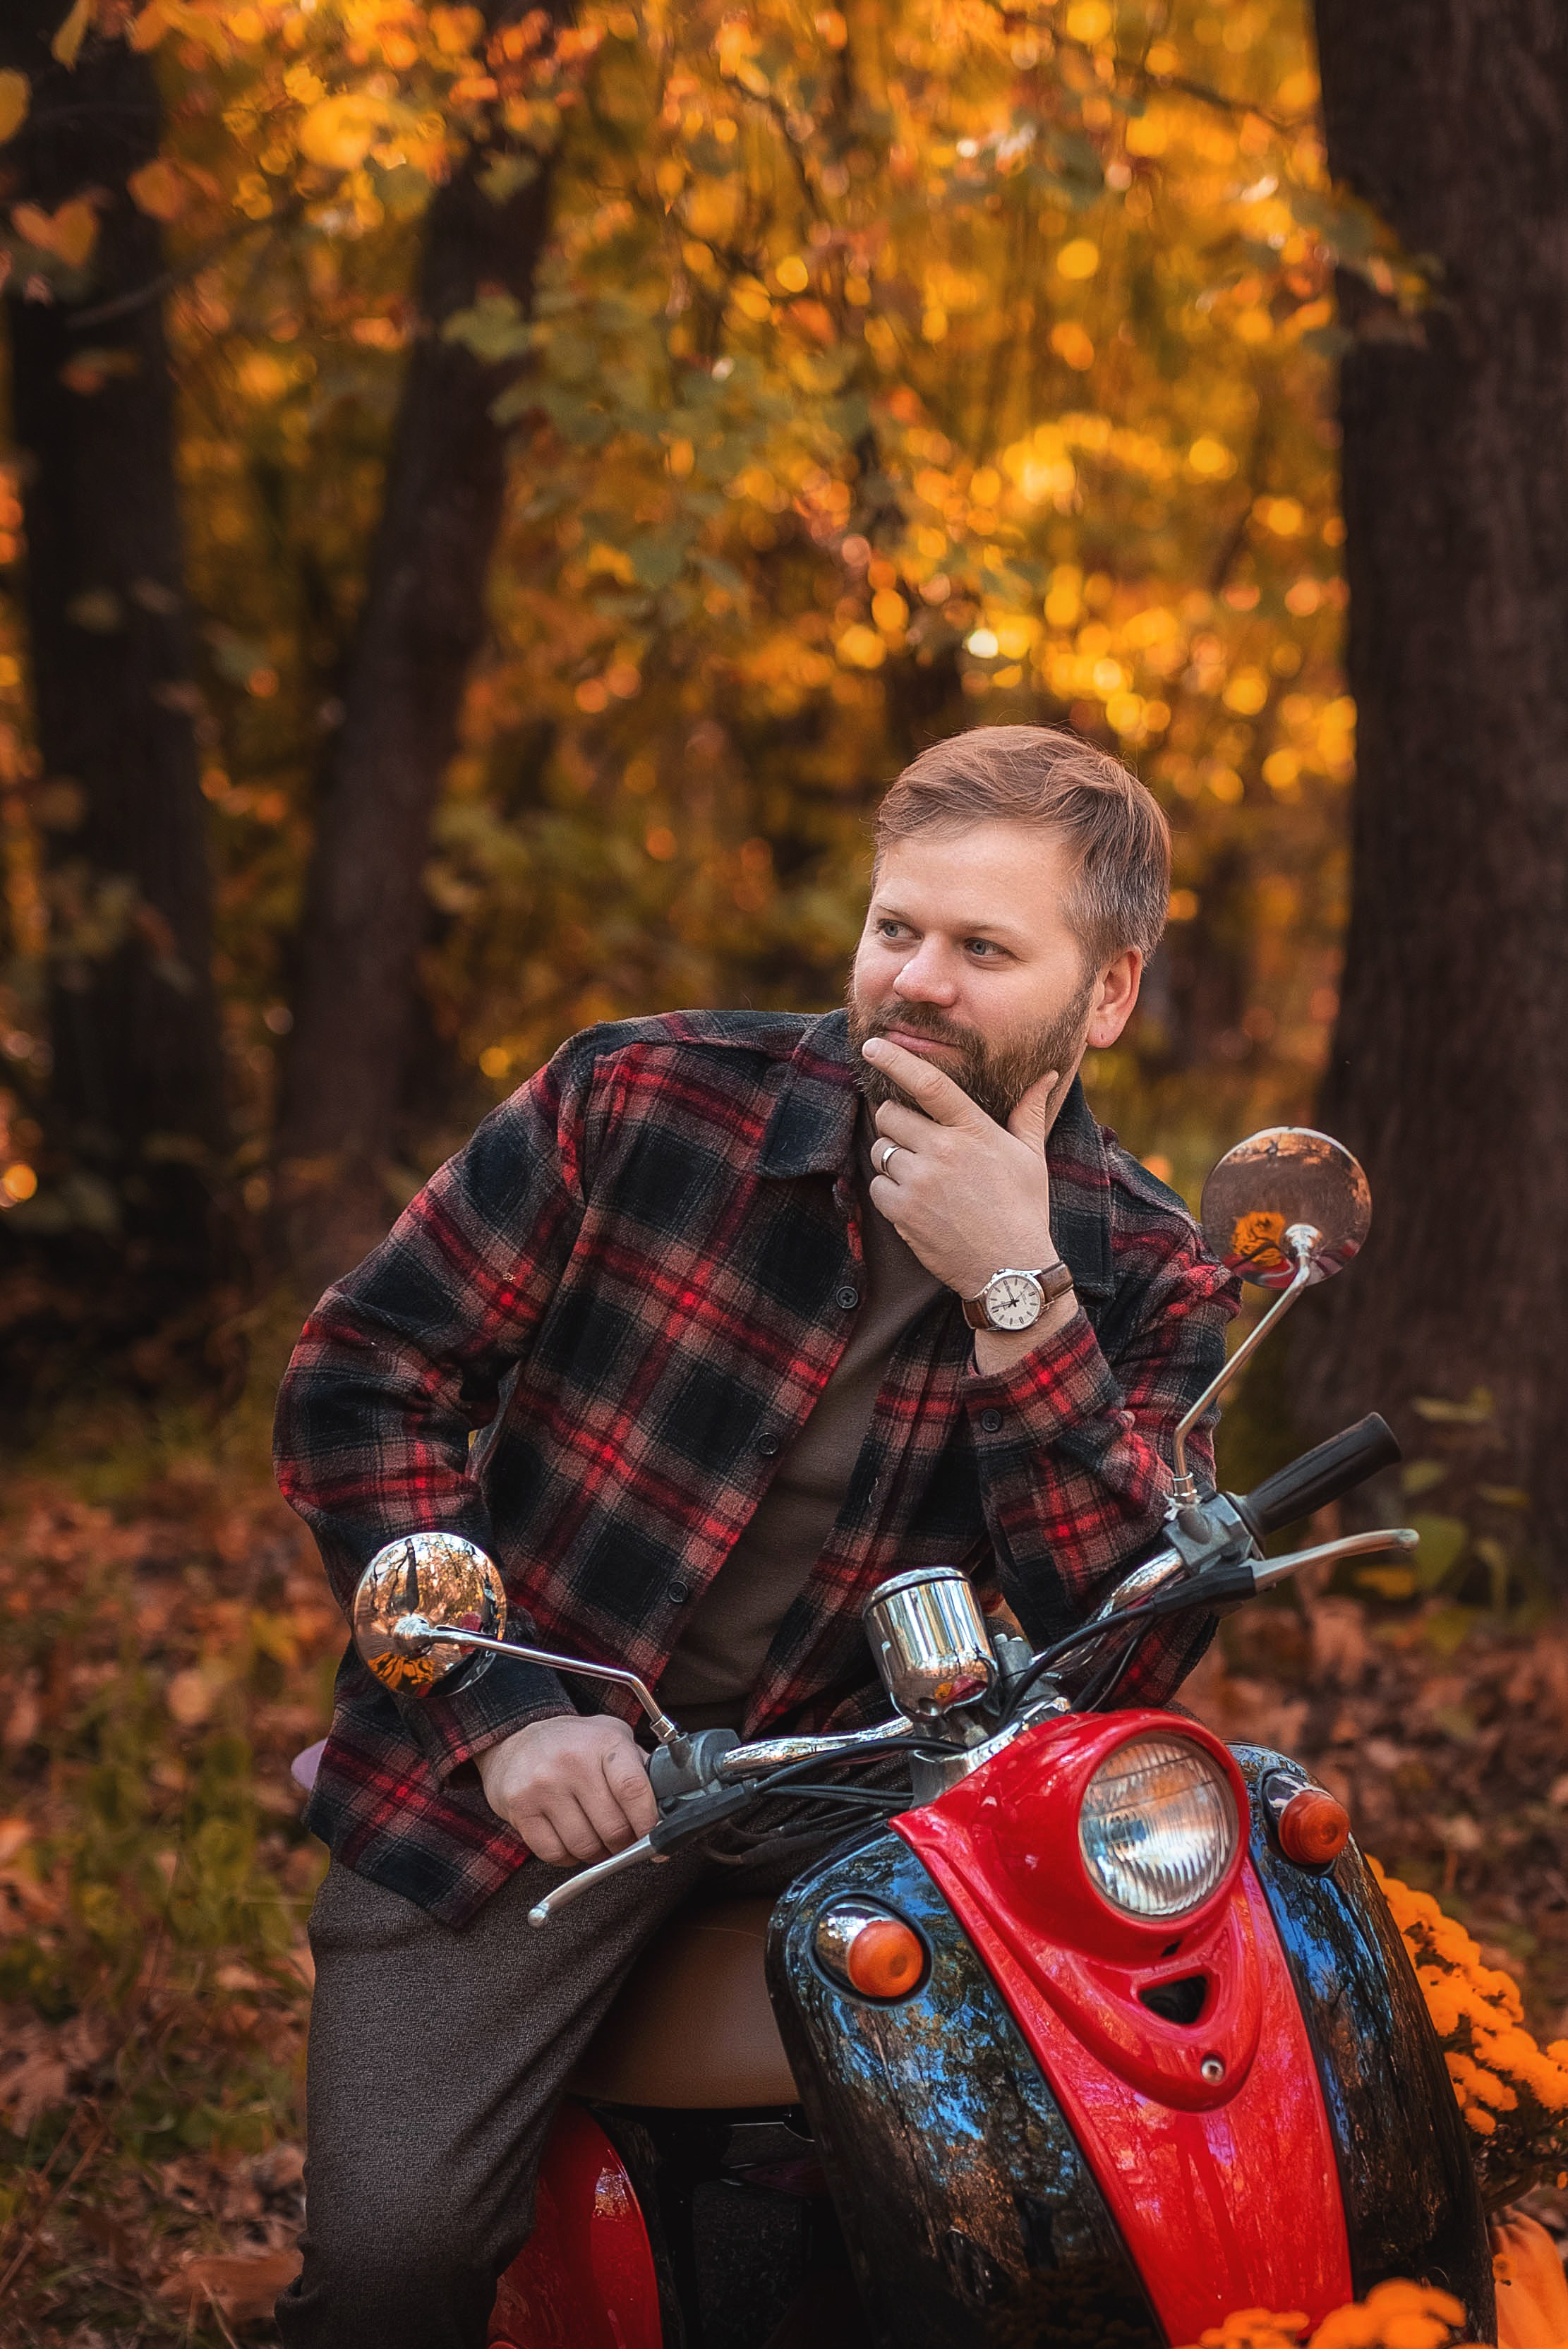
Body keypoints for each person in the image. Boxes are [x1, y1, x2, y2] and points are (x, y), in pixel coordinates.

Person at [272, 722, 1240, 2346]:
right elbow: (364, 1376)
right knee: (394, 2265)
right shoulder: (641, 1102)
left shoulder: (1146, 1269)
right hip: (536, 1778)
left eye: (983, 949)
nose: (916, 982)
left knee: (1026, 2236)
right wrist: (500, 1712)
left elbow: (1123, 1645)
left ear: (1109, 994)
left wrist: (1020, 1289)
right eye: (895, 929)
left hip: (880, 1809)